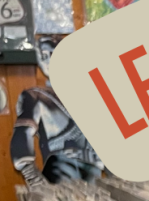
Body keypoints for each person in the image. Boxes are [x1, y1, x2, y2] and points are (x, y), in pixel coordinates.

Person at [10, 35, 103, 185]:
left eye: (53, 54)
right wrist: (33, 177)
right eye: (44, 55)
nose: (48, 60)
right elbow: (22, 135)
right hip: (62, 171)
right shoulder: (36, 96)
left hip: (95, 171)